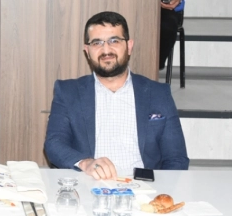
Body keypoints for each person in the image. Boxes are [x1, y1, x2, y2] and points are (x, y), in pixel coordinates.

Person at [44, 11, 189, 179]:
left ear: (129, 46)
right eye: (97, 43)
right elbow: (54, 144)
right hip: (90, 184)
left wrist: (162, 190)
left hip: (143, 187)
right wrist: (85, 163)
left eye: (114, 41)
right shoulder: (68, 92)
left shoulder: (158, 93)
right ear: (87, 51)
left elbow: (176, 158)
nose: (106, 50)